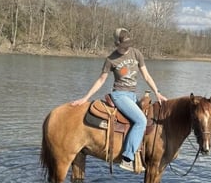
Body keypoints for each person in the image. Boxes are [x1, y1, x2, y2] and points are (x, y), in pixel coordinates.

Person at [71, 28, 167, 173]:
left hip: (133, 96)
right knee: (140, 120)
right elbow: (101, 80)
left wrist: (157, 93)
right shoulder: (111, 59)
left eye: (128, 43)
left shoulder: (136, 53)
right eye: (124, 44)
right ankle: (127, 158)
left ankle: (140, 154)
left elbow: (146, 76)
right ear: (117, 43)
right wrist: (85, 98)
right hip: (119, 95)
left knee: (147, 119)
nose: (127, 46)